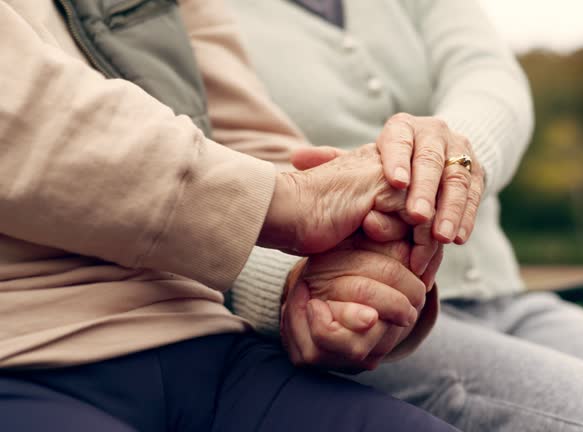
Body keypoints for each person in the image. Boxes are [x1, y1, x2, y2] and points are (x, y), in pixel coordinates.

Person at [228, 0, 583, 430]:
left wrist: (448, 165)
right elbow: (190, 185)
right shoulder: (185, 15)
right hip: (360, 315)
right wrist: (288, 283)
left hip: (505, 301)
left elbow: (491, 79)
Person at [0, 0, 478, 430]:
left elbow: (250, 145)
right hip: (23, 356)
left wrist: (318, 281)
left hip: (208, 345)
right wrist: (296, 202)